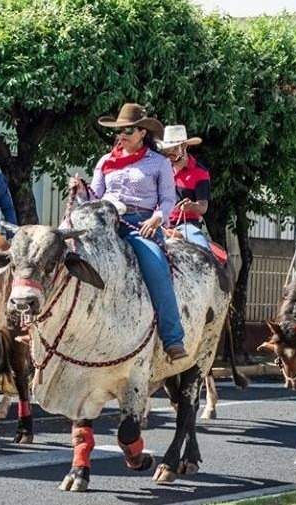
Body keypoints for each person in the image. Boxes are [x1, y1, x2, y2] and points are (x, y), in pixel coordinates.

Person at [72, 103, 188, 361]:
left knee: (157, 267)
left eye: (128, 130)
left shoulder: (158, 163)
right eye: (120, 131)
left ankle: (172, 338)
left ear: (142, 133)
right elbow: (95, 197)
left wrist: (157, 219)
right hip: (105, 222)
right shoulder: (106, 161)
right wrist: (81, 189)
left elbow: (168, 199)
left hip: (141, 224)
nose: (122, 135)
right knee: (65, 253)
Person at [157, 125, 211, 250]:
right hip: (158, 223)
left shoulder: (200, 173)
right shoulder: (160, 169)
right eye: (167, 149)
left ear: (184, 146)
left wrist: (191, 206)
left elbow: (203, 207)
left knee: (202, 248)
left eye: (174, 148)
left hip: (186, 226)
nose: (170, 152)